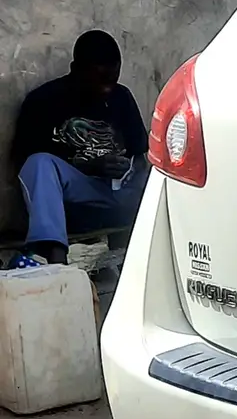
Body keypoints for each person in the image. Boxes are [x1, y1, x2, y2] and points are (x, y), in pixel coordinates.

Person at [11, 31, 149, 265]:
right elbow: (26, 164)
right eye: (100, 81)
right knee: (39, 163)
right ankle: (55, 258)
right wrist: (90, 165)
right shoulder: (44, 101)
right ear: (76, 69)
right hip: (78, 196)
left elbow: (140, 156)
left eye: (112, 80)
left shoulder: (121, 97)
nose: (107, 89)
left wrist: (128, 171)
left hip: (121, 196)